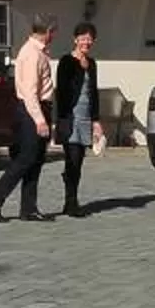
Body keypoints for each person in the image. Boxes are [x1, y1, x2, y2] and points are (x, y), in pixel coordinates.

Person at [0, 16, 59, 222]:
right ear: (47, 31)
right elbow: (30, 92)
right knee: (26, 158)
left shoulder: (37, 52)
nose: (55, 36)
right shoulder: (32, 54)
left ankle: (29, 207)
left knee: (36, 160)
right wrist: (39, 120)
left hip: (36, 109)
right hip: (31, 110)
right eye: (54, 32)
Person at [52, 23, 101, 216]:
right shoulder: (66, 61)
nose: (86, 42)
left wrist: (96, 120)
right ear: (75, 39)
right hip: (70, 116)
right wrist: (61, 119)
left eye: (89, 38)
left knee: (79, 160)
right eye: (83, 38)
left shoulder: (93, 63)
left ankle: (71, 200)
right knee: (72, 159)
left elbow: (94, 92)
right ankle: (71, 202)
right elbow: (62, 92)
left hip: (86, 116)